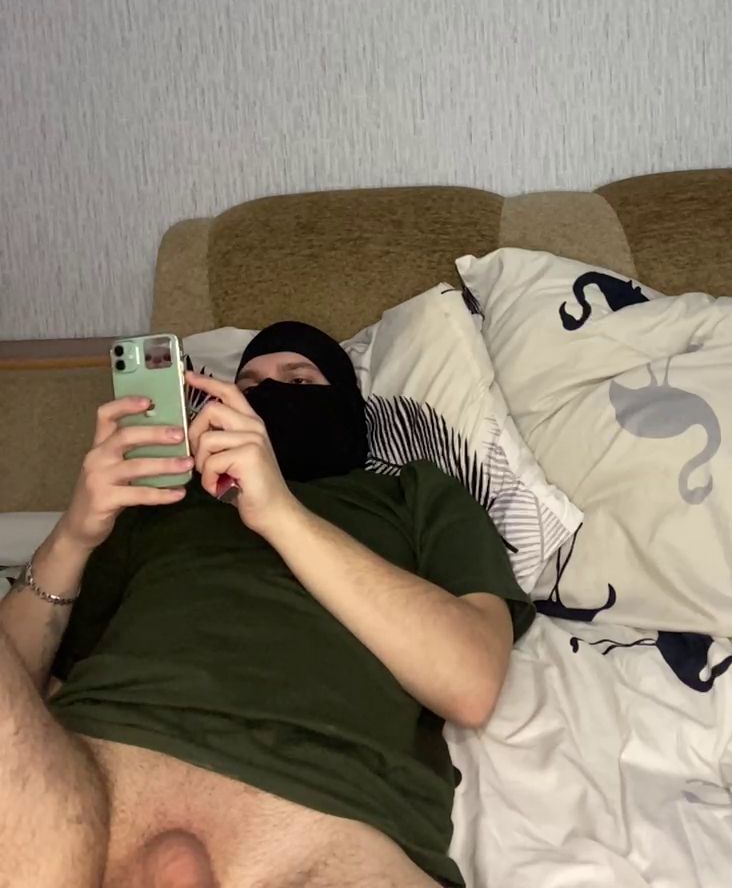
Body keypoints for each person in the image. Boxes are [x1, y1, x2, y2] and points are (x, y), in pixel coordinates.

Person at [0, 321, 534, 888]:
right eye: (249, 386)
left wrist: (279, 512)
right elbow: (23, 679)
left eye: (299, 380)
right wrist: (75, 534)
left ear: (346, 407)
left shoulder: (417, 494)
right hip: (90, 789)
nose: (270, 394)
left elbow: (471, 681)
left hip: (333, 812)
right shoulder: (161, 497)